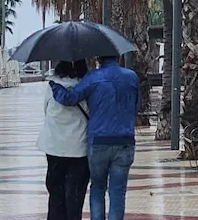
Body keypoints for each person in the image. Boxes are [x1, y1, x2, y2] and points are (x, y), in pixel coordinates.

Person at [49, 55, 139, 220]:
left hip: (98, 142)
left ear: (99, 59)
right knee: (118, 192)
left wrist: (55, 86)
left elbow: (70, 98)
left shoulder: (93, 78)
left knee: (97, 188)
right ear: (119, 58)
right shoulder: (131, 77)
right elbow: (136, 106)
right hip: (125, 141)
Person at [37, 60, 90, 220]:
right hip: (79, 147)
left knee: (55, 191)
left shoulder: (52, 86)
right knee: (75, 194)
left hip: (54, 146)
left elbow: (45, 111)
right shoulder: (85, 87)